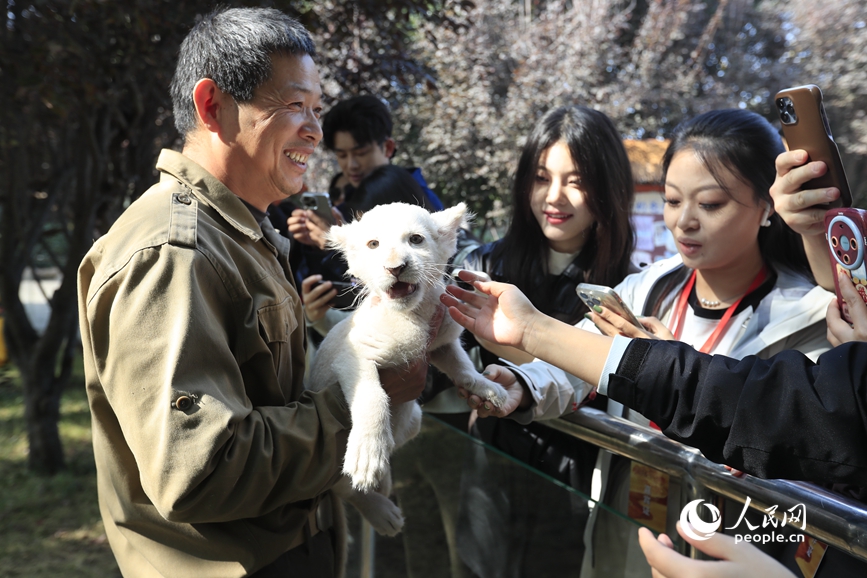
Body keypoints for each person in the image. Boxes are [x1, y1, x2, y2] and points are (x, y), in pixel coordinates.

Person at [76, 8, 428, 577]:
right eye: (294, 106)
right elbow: (199, 471)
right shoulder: (175, 253)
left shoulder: (238, 231)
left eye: (316, 108)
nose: (314, 130)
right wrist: (365, 400)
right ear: (213, 106)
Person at [440, 260, 867, 578]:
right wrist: (527, 379)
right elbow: (583, 355)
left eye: (712, 202)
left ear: (764, 207)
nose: (687, 220)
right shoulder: (653, 283)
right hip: (631, 511)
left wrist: (536, 332)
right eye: (674, 200)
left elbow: (783, 419)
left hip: (735, 536)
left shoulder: (810, 310)